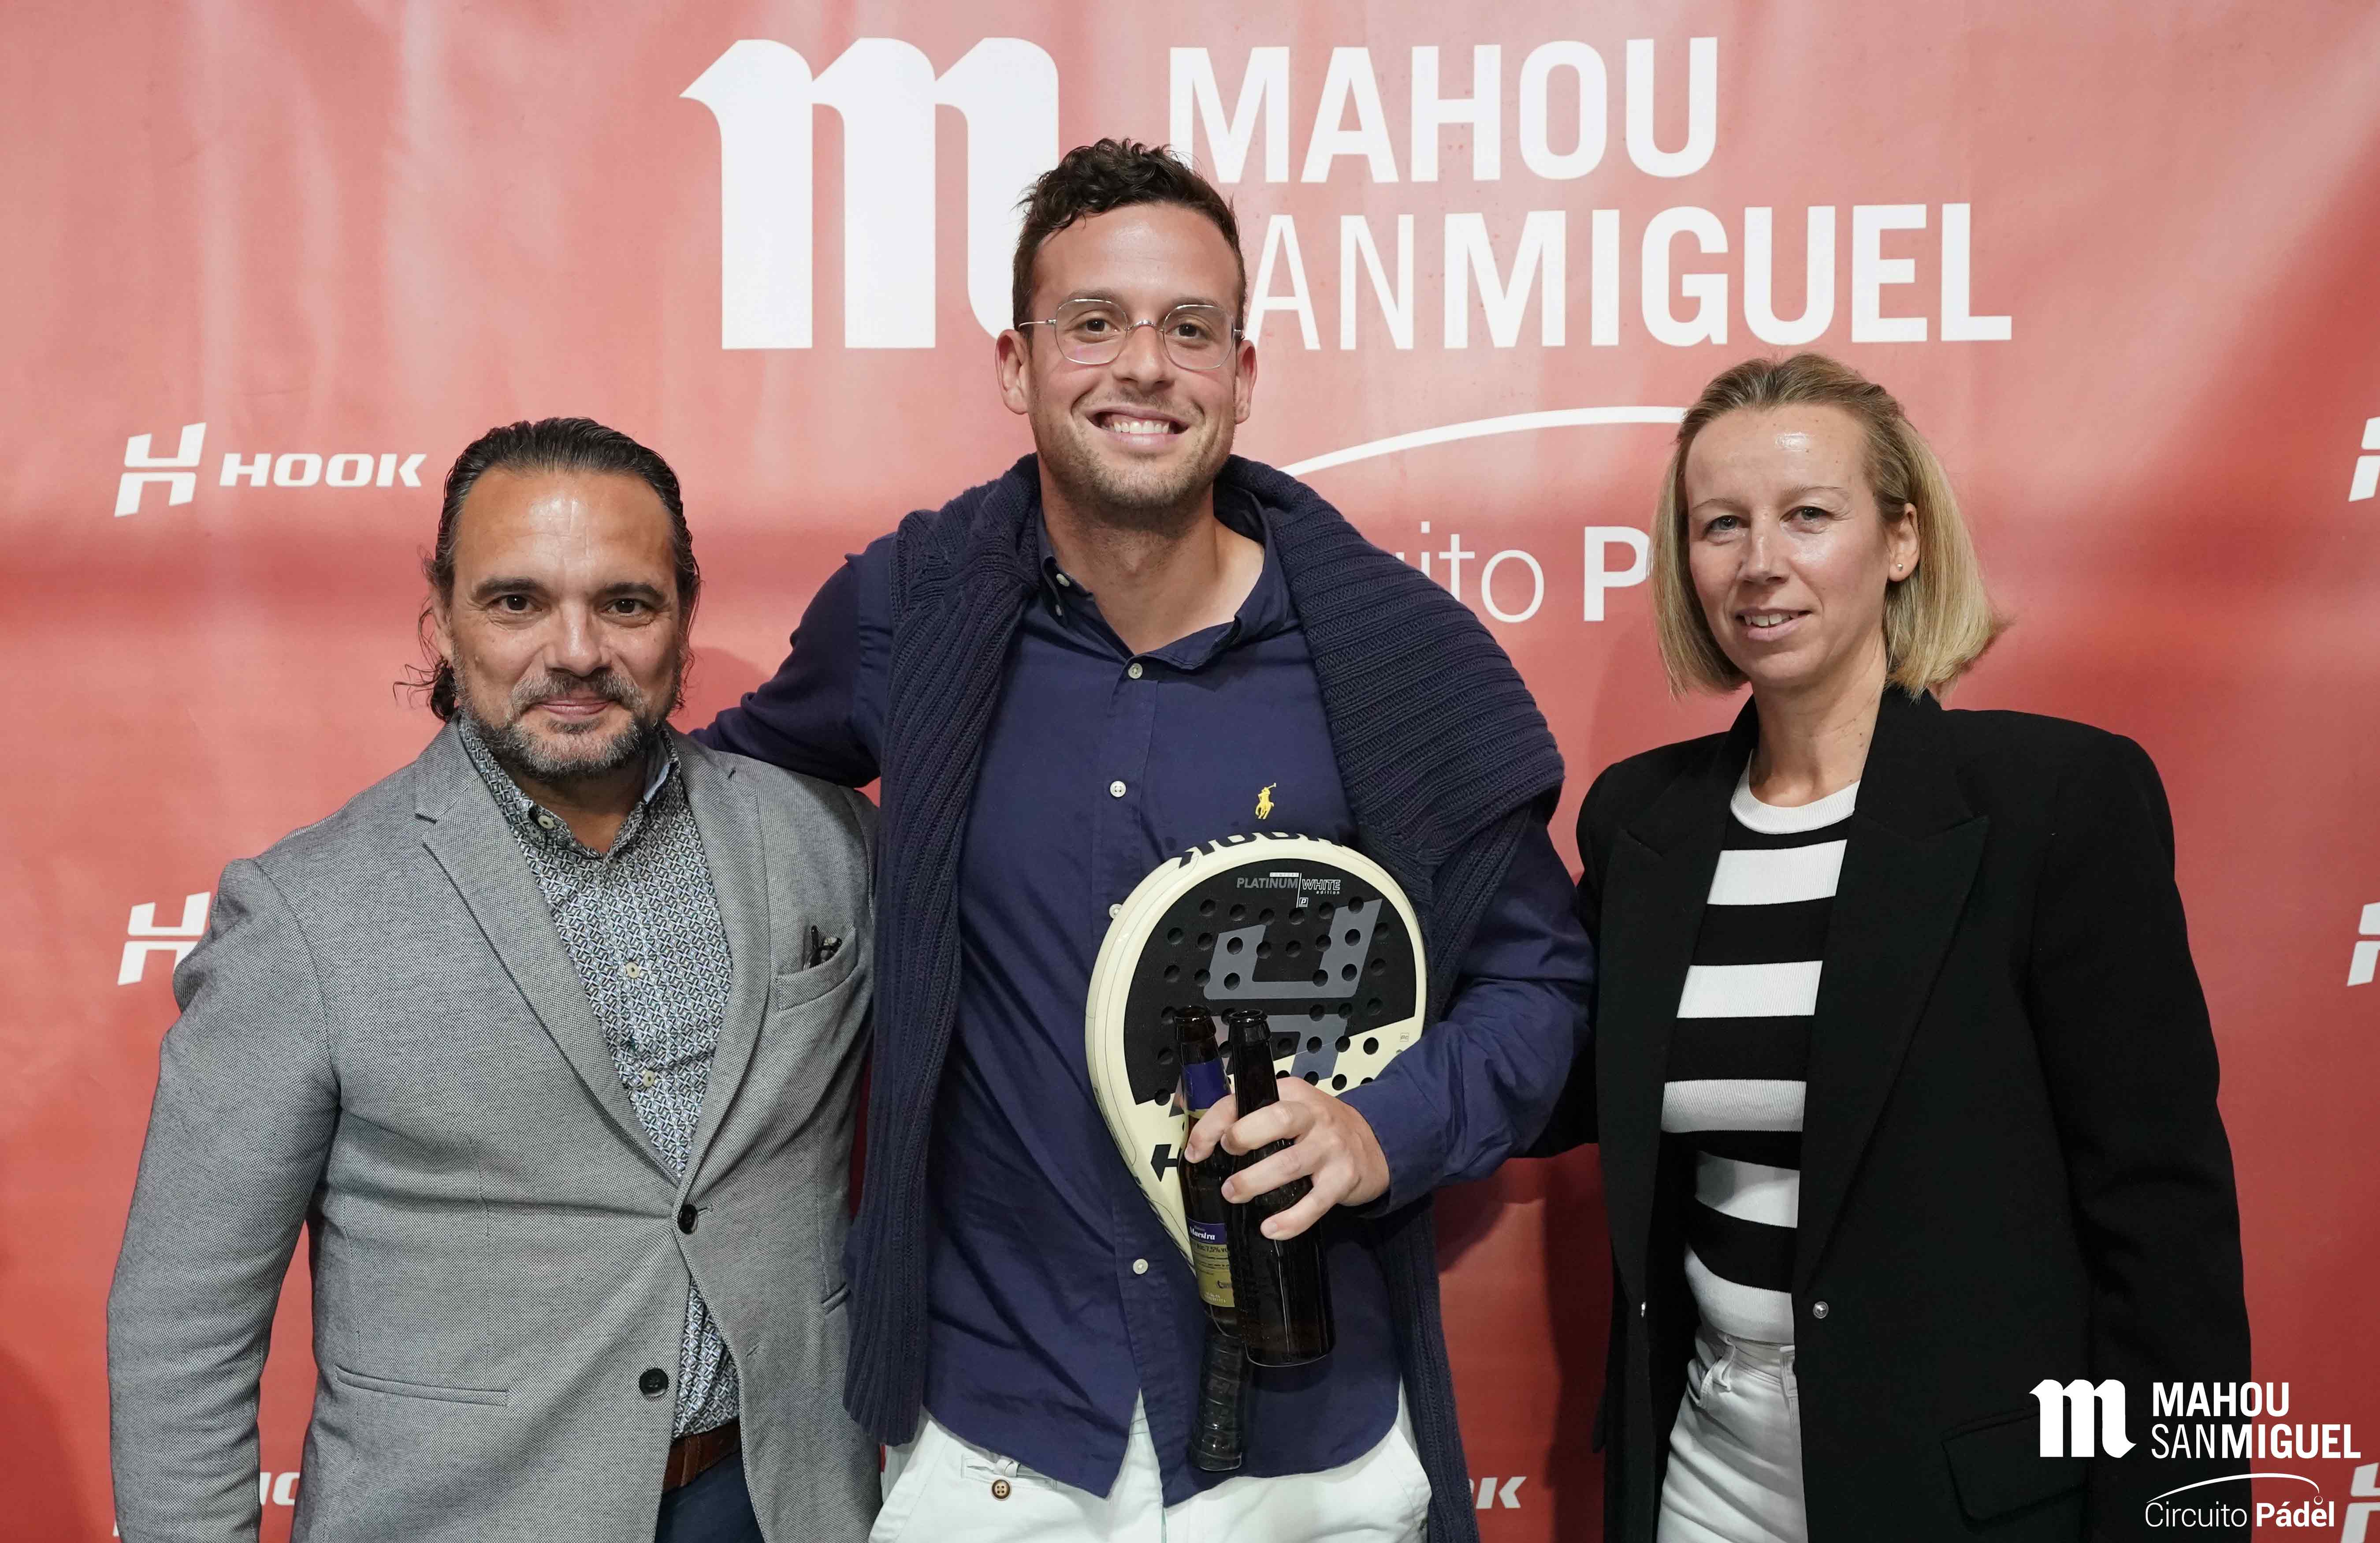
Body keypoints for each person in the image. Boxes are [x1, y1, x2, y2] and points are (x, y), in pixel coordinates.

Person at [697, 139, 1593, 1543]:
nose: (1144, 367)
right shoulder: (908, 610)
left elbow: (1540, 986)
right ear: (1017, 364)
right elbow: (719, 802)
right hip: (993, 1443)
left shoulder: (1398, 657)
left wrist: (1382, 1128)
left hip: (1311, 1455)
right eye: (1093, 323)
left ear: (1243, 370)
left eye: (1190, 328)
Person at [107, 418, 879, 1543]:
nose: (576, 650)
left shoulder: (821, 841)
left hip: (785, 1500)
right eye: (518, 602)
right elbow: (185, 1319)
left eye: (626, 603)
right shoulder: (305, 914)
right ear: (442, 617)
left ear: (684, 616)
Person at [1535, 354, 2250, 1542]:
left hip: (1966, 1492)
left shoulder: (2055, 802)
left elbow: (2164, 1224)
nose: (1760, 561)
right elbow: (1558, 1080)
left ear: (1902, 539)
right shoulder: (1642, 820)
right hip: (1710, 1470)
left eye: (1809, 515)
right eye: (1722, 524)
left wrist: (2183, 1517)